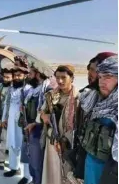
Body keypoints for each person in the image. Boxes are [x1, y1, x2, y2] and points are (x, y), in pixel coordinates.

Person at [78, 56, 118, 184]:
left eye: (107, 76)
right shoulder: (96, 100)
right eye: (100, 77)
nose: (101, 82)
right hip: (90, 167)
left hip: (110, 174)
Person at [40, 65, 78, 184]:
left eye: (63, 77)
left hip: (68, 144)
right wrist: (44, 116)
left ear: (72, 78)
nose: (60, 81)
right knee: (52, 172)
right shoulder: (51, 95)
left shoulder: (78, 98)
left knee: (66, 174)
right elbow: (41, 112)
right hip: (52, 141)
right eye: (57, 78)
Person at [19, 64, 52, 184]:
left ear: (38, 74)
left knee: (37, 163)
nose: (28, 76)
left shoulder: (48, 90)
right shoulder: (30, 90)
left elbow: (46, 113)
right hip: (29, 130)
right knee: (31, 161)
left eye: (31, 74)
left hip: (38, 131)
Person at [2, 66, 32, 179]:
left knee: (24, 147)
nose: (16, 78)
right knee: (12, 144)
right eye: (15, 75)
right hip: (11, 121)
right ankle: (14, 168)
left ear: (25, 76)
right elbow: (7, 104)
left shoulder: (29, 89)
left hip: (23, 123)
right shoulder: (11, 88)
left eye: (19, 75)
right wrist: (4, 119)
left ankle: (27, 176)